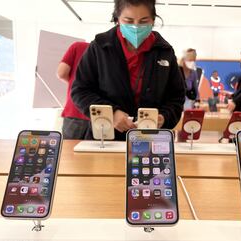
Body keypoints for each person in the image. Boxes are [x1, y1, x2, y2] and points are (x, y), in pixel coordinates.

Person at [71, 0, 185, 141]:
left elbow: (176, 96)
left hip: (150, 139)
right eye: (128, 20)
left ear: (153, 20)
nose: (136, 27)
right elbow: (80, 90)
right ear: (117, 19)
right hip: (106, 138)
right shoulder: (100, 48)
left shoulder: (164, 52)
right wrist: (111, 113)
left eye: (144, 21)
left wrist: (164, 117)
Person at [56, 41, 90, 139]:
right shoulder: (108, 51)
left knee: (70, 152)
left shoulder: (78, 46)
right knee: (95, 153)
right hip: (100, 115)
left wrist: (75, 84)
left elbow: (61, 73)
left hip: (75, 110)